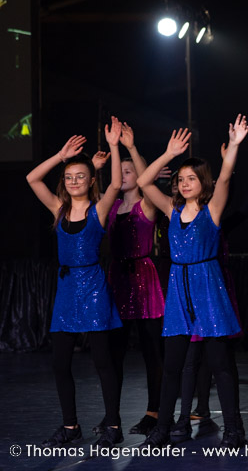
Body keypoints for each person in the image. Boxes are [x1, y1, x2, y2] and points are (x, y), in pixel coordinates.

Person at [137, 117, 248, 448]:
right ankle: (162, 428)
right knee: (172, 366)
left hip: (208, 289)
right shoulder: (171, 209)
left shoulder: (212, 210)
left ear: (202, 182)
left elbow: (224, 177)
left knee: (221, 364)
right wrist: (169, 154)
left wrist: (234, 144)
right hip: (178, 291)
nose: (184, 184)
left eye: (191, 178)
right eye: (181, 179)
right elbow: (143, 181)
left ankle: (234, 429)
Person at [27, 118, 124, 448]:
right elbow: (32, 178)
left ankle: (113, 424)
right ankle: (70, 427)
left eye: (80, 176)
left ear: (91, 180)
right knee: (60, 363)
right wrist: (61, 156)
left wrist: (113, 145)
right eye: (69, 177)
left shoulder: (98, 211)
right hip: (67, 290)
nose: (73, 181)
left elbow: (115, 185)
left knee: (103, 362)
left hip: (94, 287)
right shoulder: (58, 208)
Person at [102, 122, 165, 437]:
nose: (125, 175)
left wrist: (131, 148)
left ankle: (155, 413)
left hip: (144, 278)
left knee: (152, 350)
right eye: (121, 171)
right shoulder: (111, 206)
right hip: (118, 278)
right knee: (114, 351)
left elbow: (146, 179)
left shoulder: (147, 204)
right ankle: (111, 415)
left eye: (129, 171)